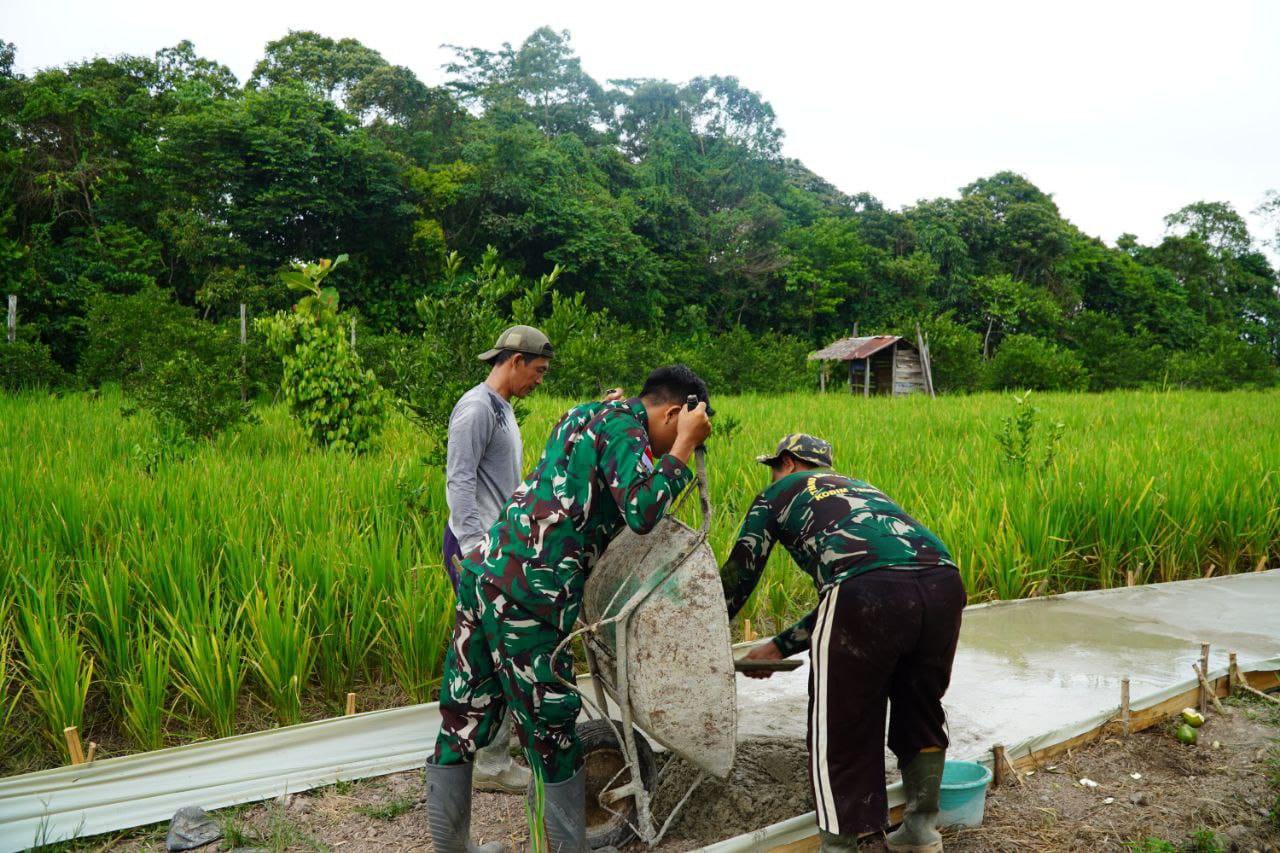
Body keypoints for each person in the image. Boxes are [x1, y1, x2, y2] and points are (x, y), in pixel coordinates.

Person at [426, 365, 714, 853]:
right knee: (552, 732)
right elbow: (643, 511)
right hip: (529, 597)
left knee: (462, 714)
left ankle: (452, 849)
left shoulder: (588, 413)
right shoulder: (627, 428)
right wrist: (684, 447)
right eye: (679, 429)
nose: (665, 450)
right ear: (674, 412)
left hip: (484, 574)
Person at [723, 434, 966, 853]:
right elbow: (880, 582)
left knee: (841, 725)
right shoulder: (866, 488)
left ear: (789, 462)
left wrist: (700, 635)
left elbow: (739, 577)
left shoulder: (776, 494)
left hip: (866, 590)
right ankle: (922, 833)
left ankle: (839, 847)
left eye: (775, 467)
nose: (774, 475)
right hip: (944, 583)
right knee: (921, 707)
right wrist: (779, 647)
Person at [442, 324, 555, 794]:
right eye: (539, 370)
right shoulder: (475, 409)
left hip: (496, 547)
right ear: (514, 361)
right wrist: (473, 551)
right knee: (495, 648)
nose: (540, 380)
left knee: (493, 649)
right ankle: (488, 763)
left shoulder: (501, 408)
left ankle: (488, 760)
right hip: (476, 550)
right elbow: (460, 481)